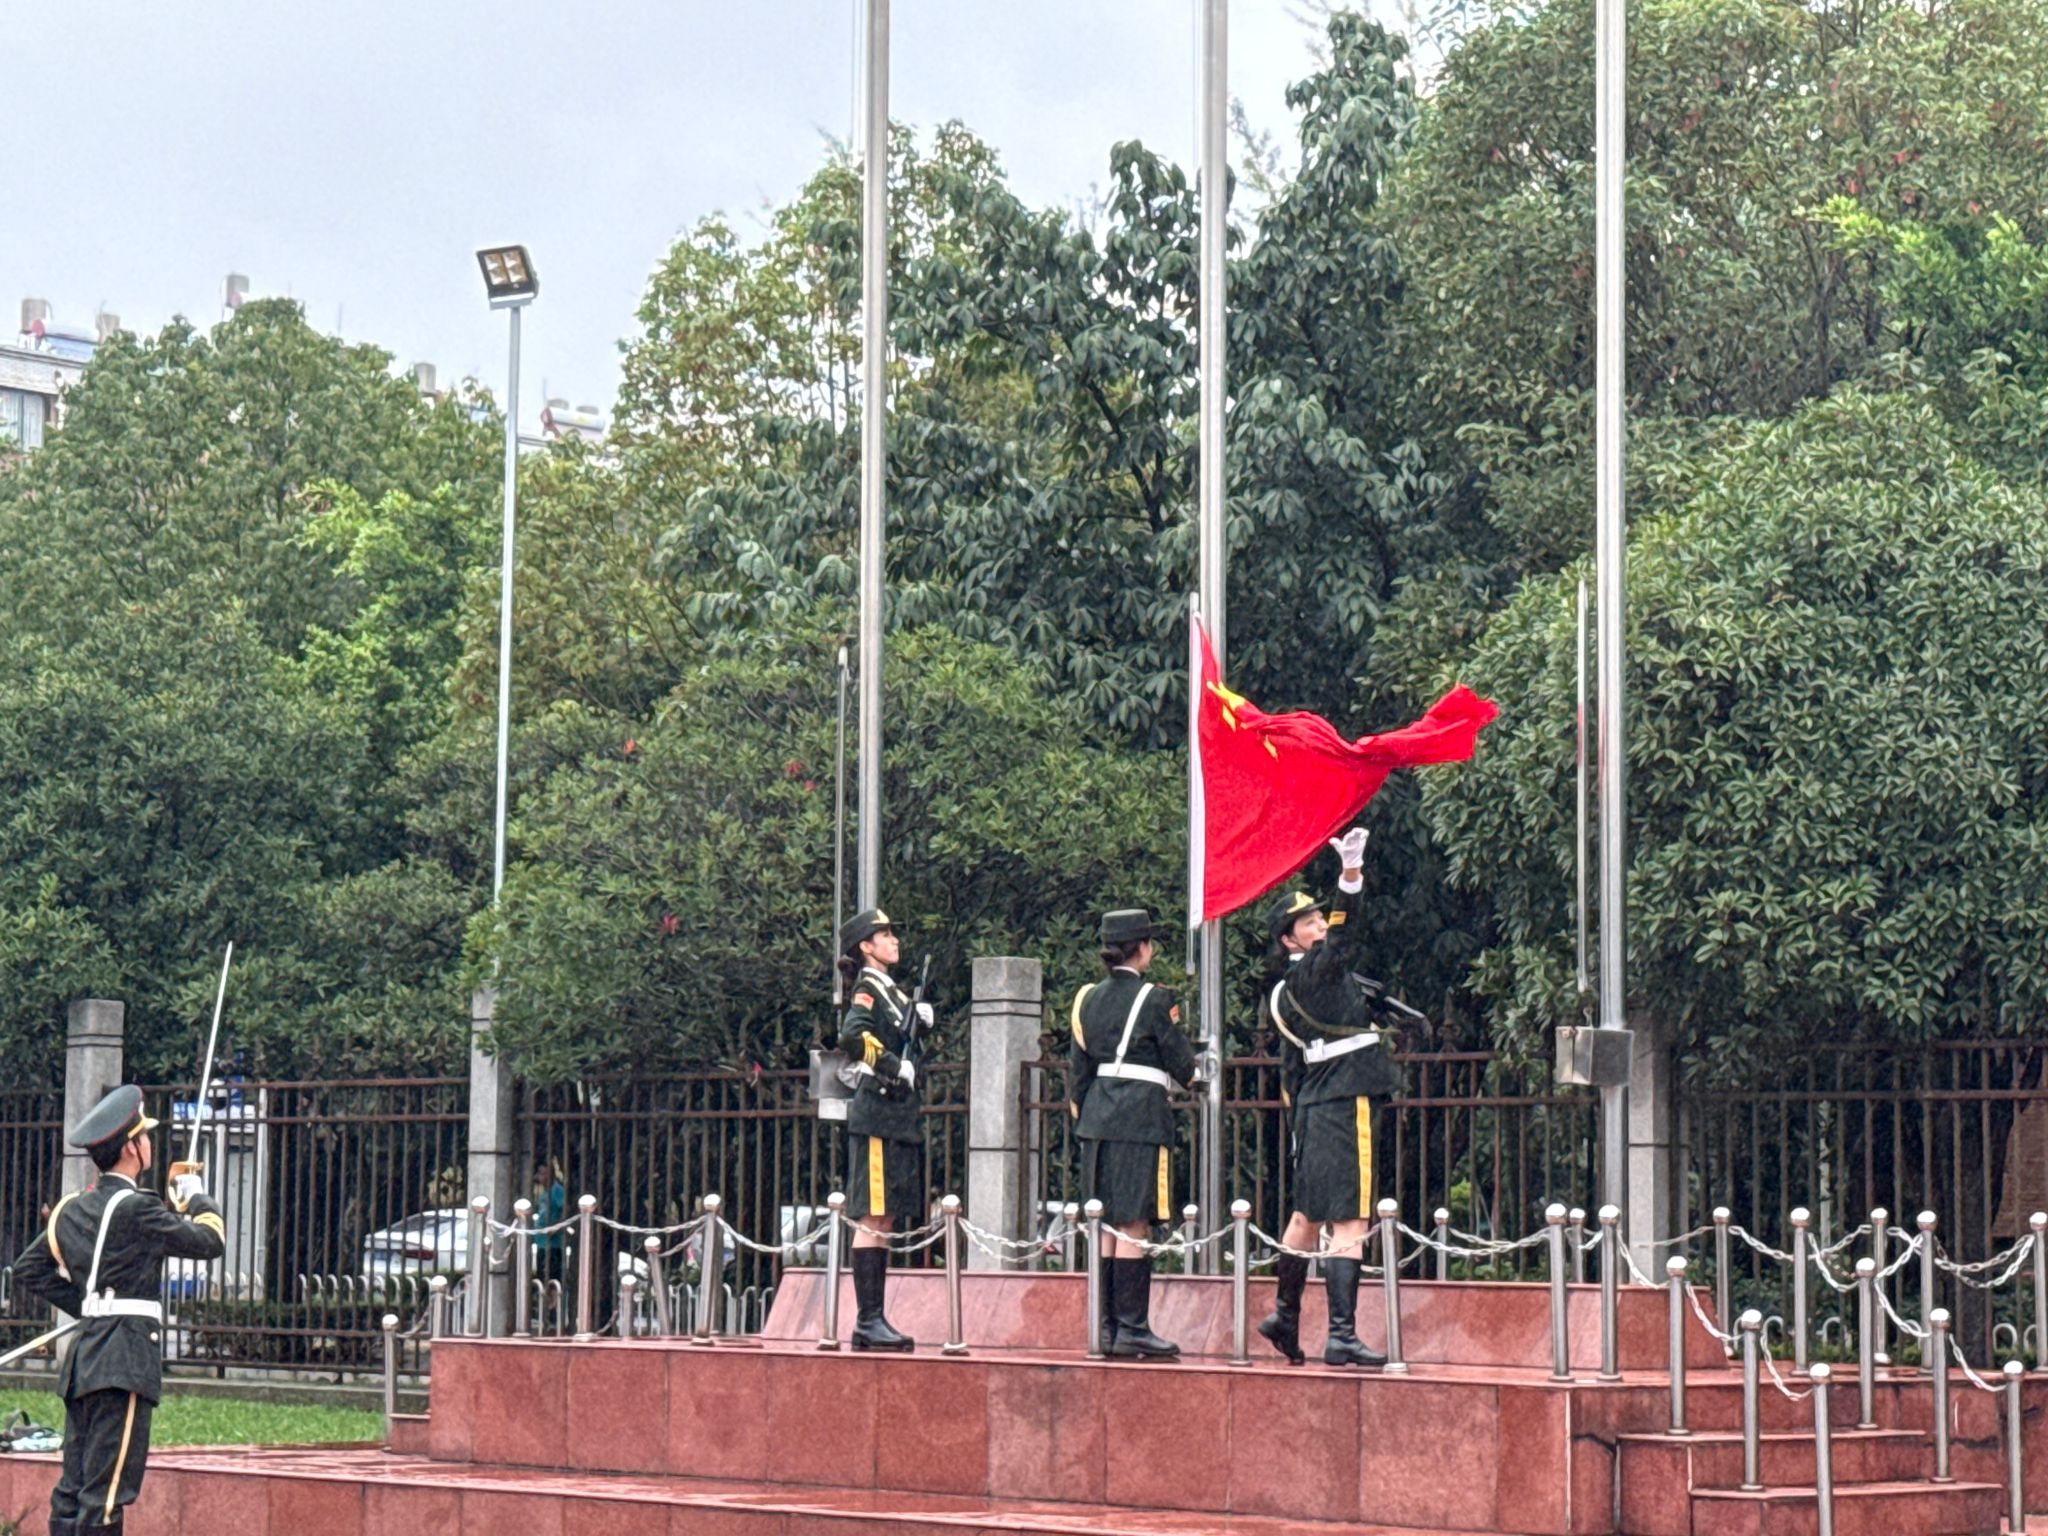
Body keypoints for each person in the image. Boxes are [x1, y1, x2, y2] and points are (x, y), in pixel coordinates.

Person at [9, 1085, 226, 1534]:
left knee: (73, 1491)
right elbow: (211, 1241)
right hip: (122, 1360)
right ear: (132, 1147)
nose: (149, 1143)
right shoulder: (138, 1209)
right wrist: (195, 1198)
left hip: (86, 1359)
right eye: (145, 1136)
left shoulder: (71, 1208)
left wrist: (91, 1307)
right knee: (105, 1495)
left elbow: (31, 1268)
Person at [1256, 825, 1402, 1368]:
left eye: (1319, 916)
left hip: (1315, 1108)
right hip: (1348, 1099)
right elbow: (1345, 937)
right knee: (1352, 1219)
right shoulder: (1315, 970)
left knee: (1306, 1216)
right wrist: (1350, 878)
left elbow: (1293, 1068)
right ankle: (1341, 1335)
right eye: (1309, 923)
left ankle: (1285, 1314)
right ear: (1289, 941)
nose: (1319, 926)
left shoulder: (1282, 992)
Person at [1066, 907, 1200, 1359]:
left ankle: (1105, 1328)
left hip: (1097, 1119)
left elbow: (1077, 1074)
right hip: (1140, 1118)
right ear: (1143, 948)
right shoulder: (1156, 999)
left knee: (1104, 1219)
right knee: (1134, 1220)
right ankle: (1133, 1327)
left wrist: (1088, 1117)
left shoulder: (1085, 999)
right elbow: (1183, 1065)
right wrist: (1198, 1074)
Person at [834, 907, 929, 1351]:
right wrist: (894, 1068)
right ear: (866, 947)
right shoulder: (867, 989)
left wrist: (919, 1016)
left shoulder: (889, 990)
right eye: (884, 934)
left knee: (885, 1215)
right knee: (873, 1216)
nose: (894, 940)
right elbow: (852, 1037)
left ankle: (875, 1319)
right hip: (878, 1110)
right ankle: (868, 1321)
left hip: (895, 1117)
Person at [530, 1157, 568, 1327]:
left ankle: (553, 1315)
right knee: (542, 1278)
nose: (540, 1177)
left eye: (543, 1173)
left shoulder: (557, 1190)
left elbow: (565, 1210)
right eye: (539, 1173)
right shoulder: (543, 1192)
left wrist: (557, 1227)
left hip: (554, 1244)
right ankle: (545, 1314)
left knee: (553, 1279)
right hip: (541, 1242)